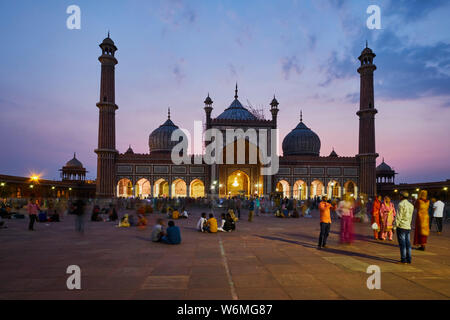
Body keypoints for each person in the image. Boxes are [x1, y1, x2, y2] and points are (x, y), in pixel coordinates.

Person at [394, 192, 414, 264]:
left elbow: (398, 216)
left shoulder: (401, 204)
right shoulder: (411, 205)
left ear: (402, 197)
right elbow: (411, 217)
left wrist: (395, 226)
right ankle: (409, 259)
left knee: (402, 244)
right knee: (408, 243)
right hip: (408, 226)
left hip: (401, 226)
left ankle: (403, 259)